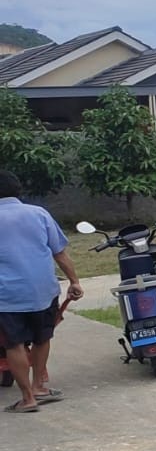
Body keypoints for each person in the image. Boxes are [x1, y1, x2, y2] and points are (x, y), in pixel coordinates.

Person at [0, 171, 84, 414]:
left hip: (7, 296)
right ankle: (38, 386)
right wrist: (74, 281)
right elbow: (60, 253)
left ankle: (27, 398)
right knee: (41, 338)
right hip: (43, 291)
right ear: (18, 190)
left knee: (13, 345)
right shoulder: (39, 214)